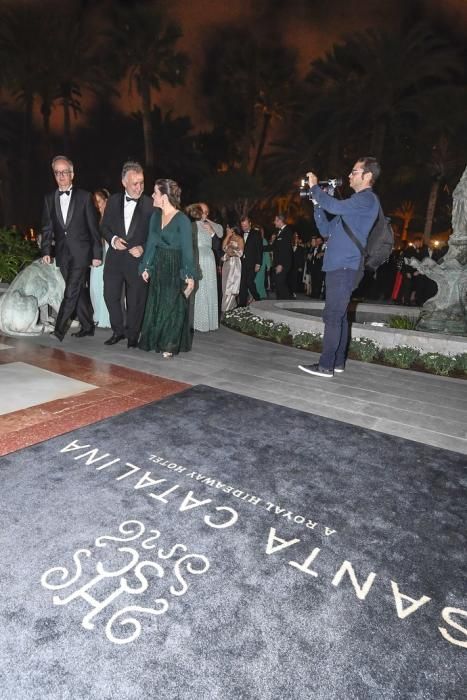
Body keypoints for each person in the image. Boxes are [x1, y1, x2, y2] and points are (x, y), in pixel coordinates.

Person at [298, 157, 381, 378]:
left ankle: (325, 365)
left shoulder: (367, 199)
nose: (349, 176)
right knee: (340, 316)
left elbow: (334, 205)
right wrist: (317, 205)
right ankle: (337, 363)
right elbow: (325, 229)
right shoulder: (353, 208)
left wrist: (315, 187)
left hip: (345, 267)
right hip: (338, 266)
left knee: (333, 315)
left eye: (354, 172)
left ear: (367, 176)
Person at [41, 155, 102, 341]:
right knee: (76, 289)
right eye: (57, 173)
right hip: (62, 253)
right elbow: (47, 227)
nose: (61, 176)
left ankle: (59, 330)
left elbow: (93, 228)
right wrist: (45, 251)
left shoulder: (84, 197)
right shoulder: (49, 198)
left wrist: (96, 253)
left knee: (71, 290)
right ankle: (88, 325)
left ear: (72, 174)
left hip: (82, 252)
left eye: (64, 172)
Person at [139, 178, 196, 357]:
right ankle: (156, 339)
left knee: (172, 305)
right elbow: (151, 243)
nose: (152, 195)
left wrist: (189, 275)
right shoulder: (155, 217)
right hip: (159, 264)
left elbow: (188, 250)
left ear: (163, 196)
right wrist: (146, 266)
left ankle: (169, 344)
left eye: (155, 192)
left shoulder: (182, 220)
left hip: (175, 264)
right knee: (158, 303)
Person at [101, 161, 153, 348]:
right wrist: (113, 239)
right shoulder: (113, 200)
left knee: (136, 300)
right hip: (115, 260)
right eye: (134, 183)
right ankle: (118, 330)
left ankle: (132, 335)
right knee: (110, 296)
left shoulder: (151, 204)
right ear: (124, 182)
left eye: (141, 183)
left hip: (137, 261)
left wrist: (143, 248)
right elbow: (104, 227)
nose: (139, 187)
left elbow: (157, 235)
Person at [187, 202, 221, 332]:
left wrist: (212, 233)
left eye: (207, 212)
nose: (205, 214)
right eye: (203, 211)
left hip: (210, 259)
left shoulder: (211, 225)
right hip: (197, 258)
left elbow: (218, 243)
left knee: (210, 288)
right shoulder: (191, 225)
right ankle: (195, 322)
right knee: (198, 290)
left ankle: (209, 322)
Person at [89, 188, 111, 328]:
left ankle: (105, 319)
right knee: (94, 286)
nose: (97, 205)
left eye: (99, 201)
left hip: (108, 252)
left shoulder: (111, 217)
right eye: (95, 202)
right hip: (98, 253)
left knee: (104, 286)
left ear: (106, 201)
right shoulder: (96, 218)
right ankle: (97, 315)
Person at [238, 215, 263, 306]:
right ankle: (242, 304)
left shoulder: (256, 234)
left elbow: (259, 249)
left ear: (250, 223)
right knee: (242, 284)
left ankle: (257, 298)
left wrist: (258, 263)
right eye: (242, 226)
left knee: (249, 281)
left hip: (252, 263)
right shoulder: (239, 234)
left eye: (245, 225)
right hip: (242, 263)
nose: (244, 228)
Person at [221, 223, 244, 314]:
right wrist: (228, 236)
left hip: (235, 264)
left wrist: (232, 253)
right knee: (224, 286)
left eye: (227, 228)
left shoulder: (239, 239)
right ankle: (231, 307)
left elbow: (240, 253)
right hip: (226, 264)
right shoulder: (228, 238)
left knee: (230, 286)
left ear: (232, 229)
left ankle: (225, 309)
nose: (226, 229)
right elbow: (223, 248)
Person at [271, 213, 293, 299]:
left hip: (283, 263)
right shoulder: (279, 232)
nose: (274, 222)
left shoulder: (287, 231)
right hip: (278, 263)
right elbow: (274, 247)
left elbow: (286, 250)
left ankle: (288, 302)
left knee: (280, 284)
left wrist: (281, 264)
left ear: (280, 221)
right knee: (278, 284)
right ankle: (280, 303)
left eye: (275, 220)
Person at [254, 226, 271, 300]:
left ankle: (259, 296)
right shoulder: (252, 240)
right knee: (253, 280)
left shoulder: (263, 240)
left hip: (262, 263)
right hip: (253, 263)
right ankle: (253, 295)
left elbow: (267, 254)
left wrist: (268, 264)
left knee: (259, 280)